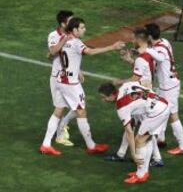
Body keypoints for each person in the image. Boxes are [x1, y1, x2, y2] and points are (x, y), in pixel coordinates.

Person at [40, 17, 124, 155]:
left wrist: (76, 69)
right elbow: (90, 52)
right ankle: (91, 146)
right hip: (71, 84)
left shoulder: (63, 39)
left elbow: (53, 54)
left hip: (60, 80)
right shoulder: (76, 43)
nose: (85, 30)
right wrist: (112, 47)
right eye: (82, 28)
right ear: (74, 29)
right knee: (81, 111)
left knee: (58, 110)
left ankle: (46, 144)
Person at [109, 28, 164, 166]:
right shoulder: (149, 53)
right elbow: (144, 69)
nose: (132, 41)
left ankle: (156, 159)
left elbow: (135, 78)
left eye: (133, 39)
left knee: (141, 129)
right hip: (147, 93)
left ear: (139, 39)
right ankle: (121, 154)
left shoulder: (141, 58)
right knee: (132, 125)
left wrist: (119, 82)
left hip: (142, 96)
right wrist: (130, 60)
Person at [98, 81, 170, 184]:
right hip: (161, 103)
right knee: (147, 138)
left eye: (104, 97)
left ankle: (140, 175)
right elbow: (144, 83)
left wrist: (133, 154)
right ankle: (144, 172)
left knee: (139, 141)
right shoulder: (125, 86)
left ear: (112, 95)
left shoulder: (121, 106)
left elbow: (129, 132)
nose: (103, 100)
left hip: (157, 112)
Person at [144, 23, 183, 155]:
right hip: (167, 85)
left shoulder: (160, 49)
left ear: (150, 36)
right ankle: (161, 139)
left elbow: (159, 57)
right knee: (160, 110)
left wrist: (144, 48)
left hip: (169, 87)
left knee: (173, 116)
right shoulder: (164, 41)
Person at [46, 10, 77, 147]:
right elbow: (53, 51)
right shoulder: (54, 35)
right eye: (71, 20)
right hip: (58, 77)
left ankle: (60, 129)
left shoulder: (72, 34)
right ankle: (58, 135)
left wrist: (78, 70)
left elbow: (71, 56)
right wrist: (64, 40)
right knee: (61, 108)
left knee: (78, 107)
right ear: (63, 23)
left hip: (70, 76)